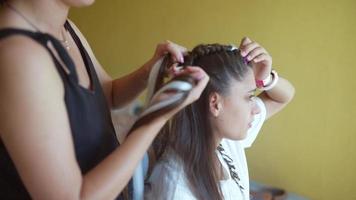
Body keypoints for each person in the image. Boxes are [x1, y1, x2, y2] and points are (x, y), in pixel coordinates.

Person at [0, 0, 209, 199]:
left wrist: (151, 69)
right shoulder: (17, 55)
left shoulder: (66, 29)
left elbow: (106, 95)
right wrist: (158, 114)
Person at [145, 39, 295, 200]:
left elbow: (284, 96)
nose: (256, 108)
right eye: (249, 96)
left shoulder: (224, 139)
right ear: (215, 104)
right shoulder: (177, 190)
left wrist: (265, 79)